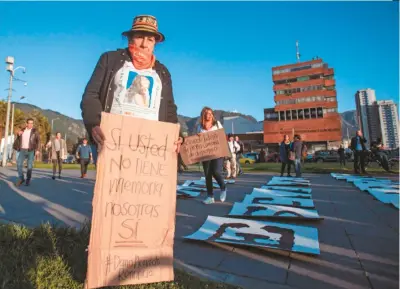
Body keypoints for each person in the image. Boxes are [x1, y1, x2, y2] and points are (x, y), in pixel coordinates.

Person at [80, 14, 183, 157]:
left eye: (150, 39)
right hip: (112, 140)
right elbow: (91, 95)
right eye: (140, 37)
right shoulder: (110, 60)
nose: (144, 44)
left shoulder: (163, 72)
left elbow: (170, 108)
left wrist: (176, 135)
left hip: (151, 146)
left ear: (155, 43)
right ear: (130, 38)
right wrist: (94, 124)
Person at [196, 107, 227, 205]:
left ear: (212, 115)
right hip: (205, 153)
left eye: (209, 113)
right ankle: (210, 196)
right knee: (207, 175)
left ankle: (223, 187)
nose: (208, 115)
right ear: (203, 115)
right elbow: (196, 140)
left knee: (216, 171)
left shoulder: (217, 124)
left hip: (217, 152)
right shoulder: (200, 127)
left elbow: (223, 136)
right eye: (206, 113)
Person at [12, 118, 40, 186]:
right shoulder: (22, 130)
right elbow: (18, 139)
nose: (31, 124)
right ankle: (21, 178)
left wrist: (37, 150)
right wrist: (18, 134)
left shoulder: (35, 131)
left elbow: (38, 141)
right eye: (29, 123)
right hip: (22, 150)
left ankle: (28, 179)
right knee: (18, 164)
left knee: (29, 166)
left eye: (32, 123)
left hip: (31, 150)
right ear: (26, 124)